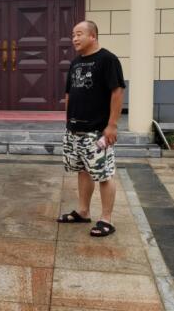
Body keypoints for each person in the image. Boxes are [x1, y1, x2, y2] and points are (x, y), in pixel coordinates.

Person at [57, 20, 126, 237]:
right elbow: (69, 93)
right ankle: (83, 211)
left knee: (104, 174)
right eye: (73, 35)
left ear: (93, 36)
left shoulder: (107, 59)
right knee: (82, 170)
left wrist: (112, 125)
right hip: (74, 130)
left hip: (97, 131)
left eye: (79, 34)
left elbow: (117, 92)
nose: (74, 38)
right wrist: (68, 123)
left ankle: (106, 220)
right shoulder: (75, 63)